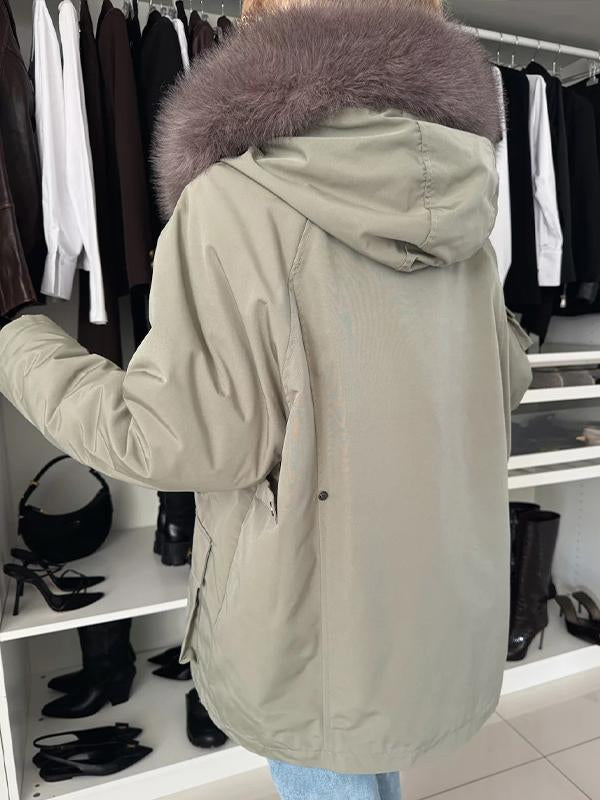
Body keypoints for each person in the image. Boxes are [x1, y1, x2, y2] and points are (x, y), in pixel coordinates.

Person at [0, 0, 532, 798]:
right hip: (432, 600)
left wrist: (16, 337)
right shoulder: (464, 200)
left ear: (268, 34)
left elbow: (168, 438)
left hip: (310, 622)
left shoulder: (234, 202)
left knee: (334, 762)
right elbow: (507, 379)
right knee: (369, 756)